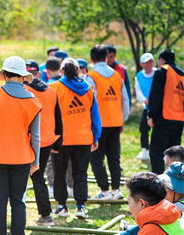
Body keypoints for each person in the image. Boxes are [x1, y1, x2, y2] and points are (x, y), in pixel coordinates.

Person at [0, 56, 41, 235]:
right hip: (23, 157)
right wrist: (36, 160)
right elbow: (36, 136)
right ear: (24, 76)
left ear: (4, 75)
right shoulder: (33, 100)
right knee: (18, 201)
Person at [50, 58, 102, 219]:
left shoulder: (54, 88)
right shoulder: (88, 88)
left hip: (61, 140)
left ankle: (62, 206)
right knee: (81, 173)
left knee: (60, 172)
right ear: (78, 71)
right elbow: (95, 115)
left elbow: (49, 115)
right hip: (83, 138)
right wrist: (96, 136)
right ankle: (80, 207)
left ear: (62, 71)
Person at [95, 161, 184, 235]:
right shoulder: (176, 203)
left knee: (154, 222)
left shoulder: (177, 208)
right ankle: (127, 232)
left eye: (167, 185)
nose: (165, 188)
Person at [87, 44, 130, 200]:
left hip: (99, 124)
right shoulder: (116, 75)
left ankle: (104, 191)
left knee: (96, 158)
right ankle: (116, 190)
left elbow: (90, 101)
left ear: (91, 59)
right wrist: (122, 118)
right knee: (114, 157)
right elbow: (125, 100)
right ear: (106, 58)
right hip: (115, 122)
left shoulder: (91, 75)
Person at [24, 60, 63, 226]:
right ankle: (45, 214)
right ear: (39, 73)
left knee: (27, 176)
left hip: (28, 139)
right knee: (38, 176)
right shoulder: (51, 90)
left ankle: (45, 214)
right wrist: (57, 143)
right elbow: (58, 118)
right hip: (46, 140)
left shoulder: (23, 90)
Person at [148, 49, 184, 174]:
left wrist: (151, 115)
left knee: (157, 153)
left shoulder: (163, 71)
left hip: (164, 118)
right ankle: (175, 184)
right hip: (179, 120)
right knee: (175, 155)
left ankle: (158, 184)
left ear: (161, 60)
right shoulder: (182, 75)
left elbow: (155, 95)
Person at [134, 53, 156, 162]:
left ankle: (155, 150)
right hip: (146, 107)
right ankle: (144, 150)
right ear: (141, 64)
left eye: (151, 62)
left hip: (158, 108)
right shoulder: (138, 76)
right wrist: (145, 100)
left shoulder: (158, 73)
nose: (149, 65)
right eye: (146, 62)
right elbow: (138, 93)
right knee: (143, 129)